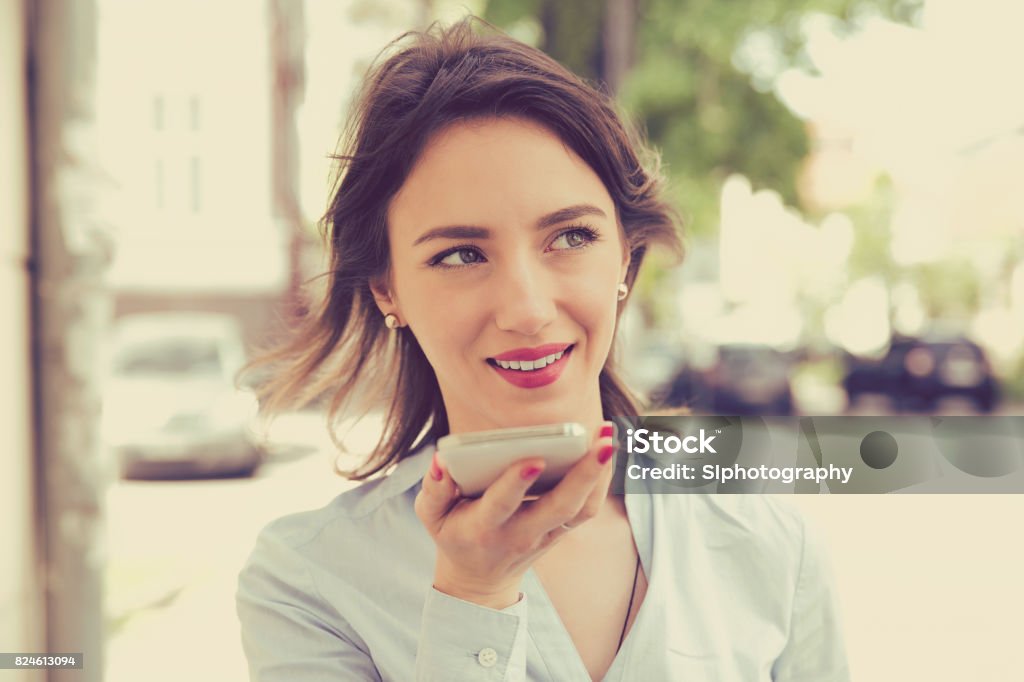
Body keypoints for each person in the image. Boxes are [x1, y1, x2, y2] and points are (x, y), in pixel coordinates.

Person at [235, 16, 850, 682]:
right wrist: (473, 598)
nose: (527, 310)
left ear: (625, 253)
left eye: (571, 238)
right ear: (389, 290)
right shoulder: (309, 582)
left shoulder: (769, 545)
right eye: (461, 254)